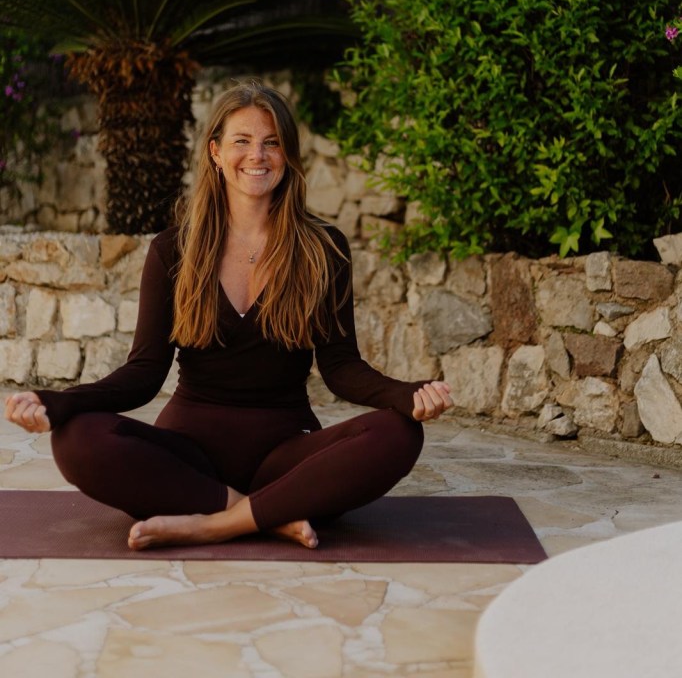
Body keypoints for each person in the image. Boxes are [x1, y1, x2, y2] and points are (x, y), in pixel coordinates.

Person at [4, 81, 452, 551]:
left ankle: (213, 524)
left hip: (286, 454)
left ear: (288, 155)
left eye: (272, 142)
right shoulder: (173, 249)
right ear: (216, 152)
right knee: (75, 439)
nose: (257, 155)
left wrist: (408, 394)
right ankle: (266, 513)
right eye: (242, 141)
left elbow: (341, 368)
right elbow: (142, 373)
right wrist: (59, 402)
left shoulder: (323, 248)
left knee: (399, 432)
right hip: (188, 460)